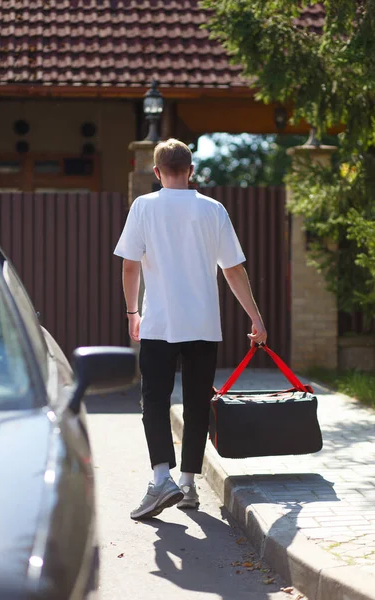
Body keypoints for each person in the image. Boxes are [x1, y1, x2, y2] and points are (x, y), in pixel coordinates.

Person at [114, 138, 267, 520]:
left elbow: (130, 266)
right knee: (198, 403)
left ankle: (160, 477)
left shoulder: (144, 207)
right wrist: (256, 317)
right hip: (203, 323)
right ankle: (187, 484)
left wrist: (132, 311)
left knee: (155, 399)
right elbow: (232, 268)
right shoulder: (213, 210)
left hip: (159, 323)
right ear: (192, 170)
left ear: (156, 172)